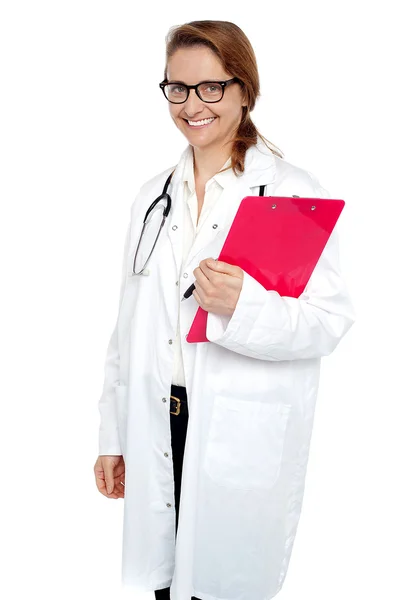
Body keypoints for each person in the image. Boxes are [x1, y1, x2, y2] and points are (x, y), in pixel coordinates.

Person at [93, 19, 355, 600]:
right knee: (165, 584)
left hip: (238, 427)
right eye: (178, 88)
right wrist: (113, 434)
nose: (193, 105)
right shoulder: (151, 198)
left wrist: (243, 307)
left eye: (211, 87)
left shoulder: (290, 193)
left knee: (222, 586)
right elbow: (126, 328)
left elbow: (327, 323)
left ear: (244, 91)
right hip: (159, 416)